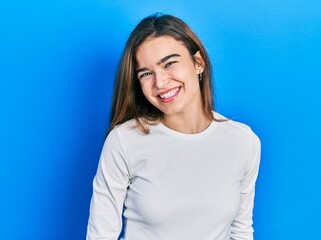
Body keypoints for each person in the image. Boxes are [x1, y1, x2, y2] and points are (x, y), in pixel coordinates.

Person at [86, 13, 261, 240]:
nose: (160, 82)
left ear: (198, 63)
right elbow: (101, 235)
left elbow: (241, 232)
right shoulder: (125, 141)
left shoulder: (243, 142)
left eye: (169, 64)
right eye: (146, 73)